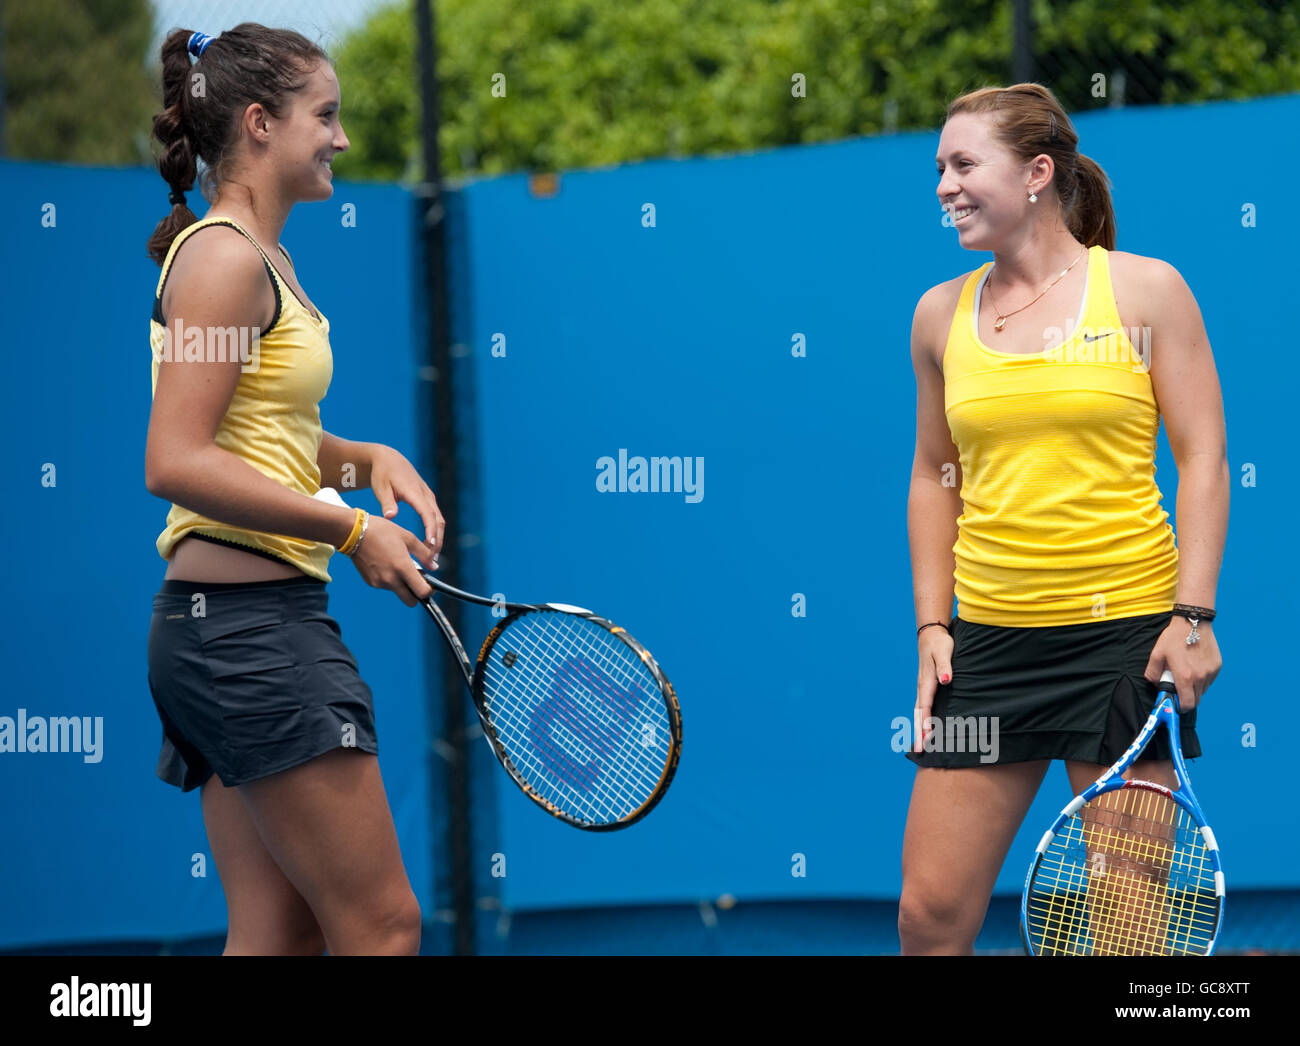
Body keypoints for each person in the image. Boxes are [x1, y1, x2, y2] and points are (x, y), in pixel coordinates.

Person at [900, 83, 1227, 955]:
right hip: (991, 647)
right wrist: (934, 623)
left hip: (1124, 643)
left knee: (1126, 933)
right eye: (940, 168)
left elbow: (1203, 460)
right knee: (928, 916)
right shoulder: (940, 316)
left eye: (965, 164)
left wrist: (1193, 618)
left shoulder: (1147, 293)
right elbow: (936, 477)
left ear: (1038, 173)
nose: (944, 186)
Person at [144, 24, 443, 956]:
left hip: (232, 634)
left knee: (281, 935)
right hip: (246, 640)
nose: (343, 138)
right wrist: (353, 530)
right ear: (262, 123)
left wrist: (361, 461)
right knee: (384, 928)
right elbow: (178, 460)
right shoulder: (224, 258)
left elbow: (264, 440)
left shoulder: (257, 259)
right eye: (327, 115)